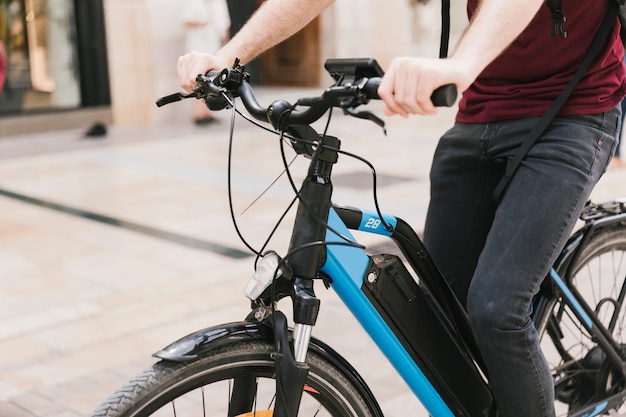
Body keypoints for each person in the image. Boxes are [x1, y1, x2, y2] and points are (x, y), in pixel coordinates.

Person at [177, 1, 626, 416]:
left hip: (576, 109)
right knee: (438, 310)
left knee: (496, 308)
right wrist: (231, 53)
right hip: (484, 111)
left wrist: (460, 64)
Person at [182, 0, 230, 125]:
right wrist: (202, 23)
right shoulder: (195, 3)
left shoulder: (220, 3)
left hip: (214, 46)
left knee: (211, 80)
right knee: (197, 80)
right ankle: (198, 114)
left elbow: (225, 24)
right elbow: (187, 21)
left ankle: (208, 113)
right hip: (199, 46)